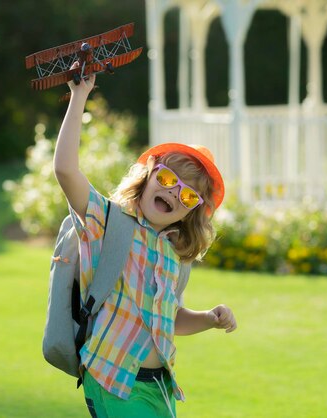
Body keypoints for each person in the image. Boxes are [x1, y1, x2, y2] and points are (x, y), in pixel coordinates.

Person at [53, 65, 237, 418]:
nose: (173, 191)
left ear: (192, 212)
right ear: (149, 172)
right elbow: (65, 170)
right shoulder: (107, 221)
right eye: (168, 177)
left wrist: (209, 319)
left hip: (160, 386)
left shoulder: (172, 255)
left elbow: (169, 319)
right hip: (113, 378)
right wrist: (79, 97)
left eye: (187, 196)